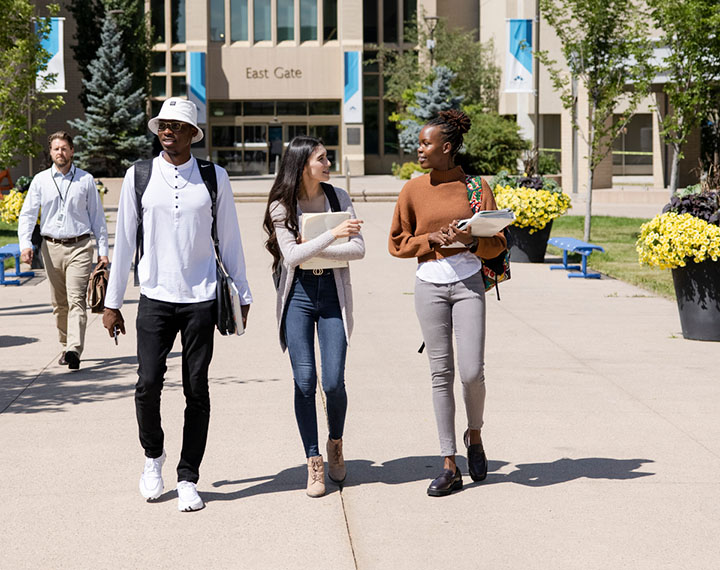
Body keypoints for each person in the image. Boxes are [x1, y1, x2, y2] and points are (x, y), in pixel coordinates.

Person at [102, 98, 252, 512]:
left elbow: (231, 239)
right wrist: (112, 303)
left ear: (192, 134)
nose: (168, 131)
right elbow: (124, 244)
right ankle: (154, 458)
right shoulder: (139, 176)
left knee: (196, 389)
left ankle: (188, 476)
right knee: (147, 384)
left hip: (201, 299)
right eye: (163, 125)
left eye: (177, 126)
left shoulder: (214, 177)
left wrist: (242, 291)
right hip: (154, 297)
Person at [388, 110, 507, 497]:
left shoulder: (476, 188)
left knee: (472, 371)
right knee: (441, 374)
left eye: (426, 144)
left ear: (447, 147)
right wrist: (431, 241)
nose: (419, 149)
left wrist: (471, 241)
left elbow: (498, 244)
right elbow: (398, 244)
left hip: (469, 282)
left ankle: (475, 434)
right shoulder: (412, 190)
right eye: (420, 143)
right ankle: (448, 463)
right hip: (430, 286)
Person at [263, 136, 365, 497]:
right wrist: (333, 234)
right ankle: (314, 460)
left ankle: (335, 441)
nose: (328, 163)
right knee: (305, 382)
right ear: (303, 164)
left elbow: (359, 249)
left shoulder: (339, 198)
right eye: (321, 159)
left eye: (327, 157)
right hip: (299, 297)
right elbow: (291, 258)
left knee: (334, 382)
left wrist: (318, 246)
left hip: (331, 296)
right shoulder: (281, 205)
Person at [18, 131, 109, 370]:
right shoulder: (40, 180)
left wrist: (103, 250)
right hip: (51, 248)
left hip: (80, 246)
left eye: (65, 148)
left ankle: (74, 350)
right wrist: (25, 245)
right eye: (56, 148)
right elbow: (27, 214)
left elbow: (97, 217)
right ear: (50, 153)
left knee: (77, 300)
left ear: (72, 151)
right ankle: (65, 344)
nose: (61, 152)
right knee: (59, 303)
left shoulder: (86, 180)